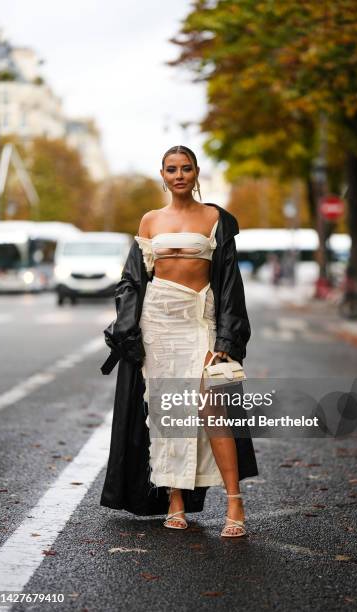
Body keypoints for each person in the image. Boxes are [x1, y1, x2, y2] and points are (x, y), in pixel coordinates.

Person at [100, 145, 258, 538]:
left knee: (212, 410)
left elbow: (228, 282)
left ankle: (234, 502)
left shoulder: (215, 218)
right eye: (172, 169)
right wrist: (128, 329)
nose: (179, 175)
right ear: (163, 175)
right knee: (169, 413)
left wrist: (227, 337)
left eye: (186, 168)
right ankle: (175, 499)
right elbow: (133, 280)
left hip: (199, 322)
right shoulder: (150, 220)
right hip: (158, 325)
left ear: (197, 172)